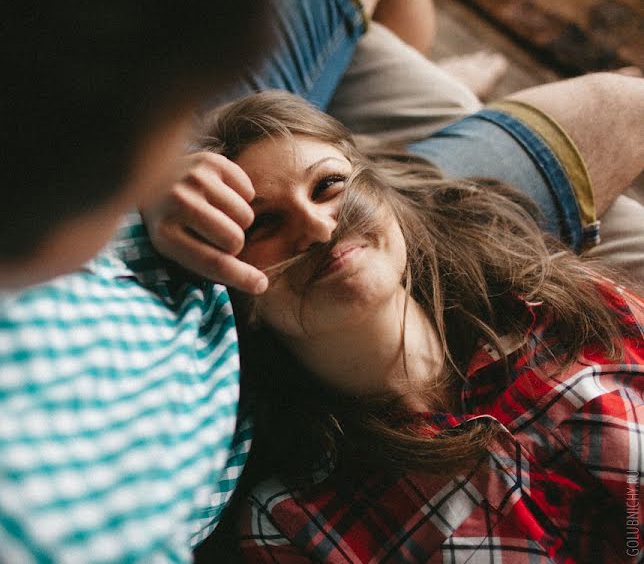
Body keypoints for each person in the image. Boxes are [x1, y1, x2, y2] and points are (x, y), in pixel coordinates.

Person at [0, 0, 641, 562]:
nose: (195, 145)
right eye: (160, 133)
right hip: (292, 343)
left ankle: (423, 70)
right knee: (610, 105)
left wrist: (156, 193)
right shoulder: (7, 529)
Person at [190, 90, 643, 562]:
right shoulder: (290, 524)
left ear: (386, 198)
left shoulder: (581, 312)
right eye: (263, 224)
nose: (319, 228)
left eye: (327, 186)